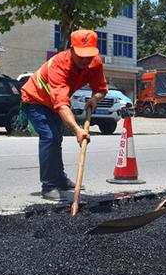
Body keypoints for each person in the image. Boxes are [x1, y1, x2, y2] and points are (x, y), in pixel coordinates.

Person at [21, 29, 108, 201]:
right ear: (72, 49)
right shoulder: (59, 65)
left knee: (57, 138)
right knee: (50, 137)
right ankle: (48, 186)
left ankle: (59, 179)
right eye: (81, 55)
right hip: (35, 100)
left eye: (89, 55)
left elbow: (100, 89)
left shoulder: (95, 63)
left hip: (54, 104)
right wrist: (77, 129)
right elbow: (61, 102)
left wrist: (95, 99)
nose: (85, 60)